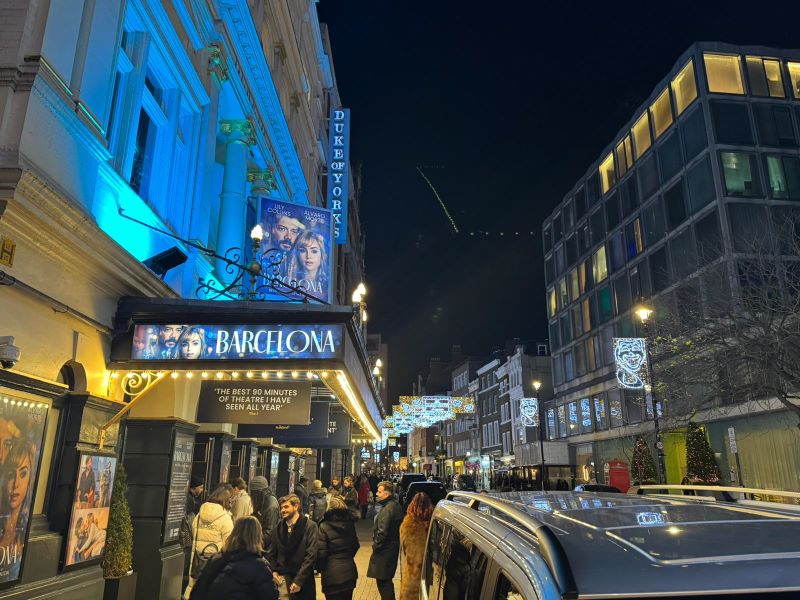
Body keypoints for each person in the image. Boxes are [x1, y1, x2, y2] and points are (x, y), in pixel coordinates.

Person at [189, 515, 278, 600]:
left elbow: (198, 591)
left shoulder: (215, 559)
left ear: (234, 533)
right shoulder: (261, 568)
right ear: (258, 537)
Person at [185, 484, 234, 599]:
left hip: (197, 562)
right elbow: (229, 544)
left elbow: (193, 532)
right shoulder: (225, 518)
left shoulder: (199, 515)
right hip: (215, 566)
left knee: (195, 590)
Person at [266, 494, 318, 600]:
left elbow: (311, 555)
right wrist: (274, 571)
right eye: (281, 508)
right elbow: (271, 553)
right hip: (283, 581)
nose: (282, 510)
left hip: (303, 581)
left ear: (296, 506)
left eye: (286, 507)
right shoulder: (278, 527)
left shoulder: (310, 526)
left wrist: (299, 580)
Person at [0, 442, 35, 577]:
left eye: (23, 474)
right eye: (11, 475)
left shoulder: (24, 529)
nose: (16, 484)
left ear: (29, 480)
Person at [317, 497, 359, 600]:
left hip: (331, 573)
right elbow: (355, 545)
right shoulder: (350, 524)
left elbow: (321, 553)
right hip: (349, 571)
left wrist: (319, 568)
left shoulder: (323, 526)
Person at [367, 480, 404, 600]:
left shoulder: (389, 508)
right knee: (384, 581)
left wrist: (376, 546)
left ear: (387, 494)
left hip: (385, 551)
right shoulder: (394, 505)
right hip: (390, 549)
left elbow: (382, 532)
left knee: (384, 582)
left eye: (379, 492)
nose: (377, 494)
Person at [399, 492, 434, 600]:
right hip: (431, 572)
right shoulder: (434, 523)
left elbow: (412, 556)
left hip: (413, 576)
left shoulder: (409, 525)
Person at [288, 231, 328, 301]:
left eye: (314, 251)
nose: (308, 256)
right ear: (297, 254)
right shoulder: (288, 285)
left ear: (322, 255)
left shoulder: (327, 290)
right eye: (303, 250)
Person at [181, 475, 205, 589]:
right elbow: (188, 520)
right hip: (187, 539)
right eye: (200, 487)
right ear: (193, 487)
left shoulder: (191, 498)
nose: (202, 490)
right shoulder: (189, 500)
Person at [250, 476, 280, 547]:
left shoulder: (271, 506)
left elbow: (269, 533)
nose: (251, 496)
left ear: (259, 492)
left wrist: (252, 543)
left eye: (253, 493)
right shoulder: (264, 501)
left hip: (268, 549)